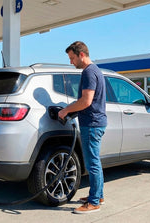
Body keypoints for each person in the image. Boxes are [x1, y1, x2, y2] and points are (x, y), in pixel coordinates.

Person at [59, 41, 107, 214]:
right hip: (96, 122)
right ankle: (98, 195)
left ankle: (94, 202)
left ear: (81, 55)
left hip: (92, 124)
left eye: (72, 58)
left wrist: (65, 110)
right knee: (95, 161)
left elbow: (86, 101)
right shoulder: (95, 70)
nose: (71, 62)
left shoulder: (88, 72)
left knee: (92, 163)